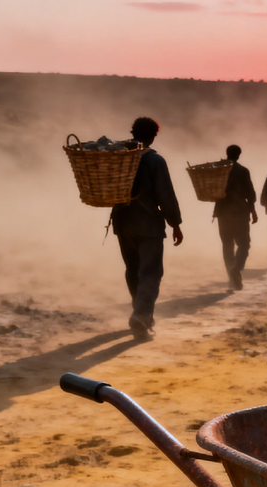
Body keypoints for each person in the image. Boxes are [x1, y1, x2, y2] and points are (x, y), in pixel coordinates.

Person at [110, 116, 182, 342]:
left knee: (133, 269)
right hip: (148, 224)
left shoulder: (117, 157)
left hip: (122, 223)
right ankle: (141, 315)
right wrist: (175, 223)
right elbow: (165, 195)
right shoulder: (154, 161)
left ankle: (141, 314)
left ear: (133, 133)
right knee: (150, 272)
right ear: (153, 136)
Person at [213, 144, 257, 290]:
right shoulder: (243, 171)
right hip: (239, 211)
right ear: (238, 155)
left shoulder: (218, 170)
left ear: (227, 154)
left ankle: (232, 277)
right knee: (244, 244)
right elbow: (250, 194)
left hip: (222, 211)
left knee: (227, 244)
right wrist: (253, 211)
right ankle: (236, 269)